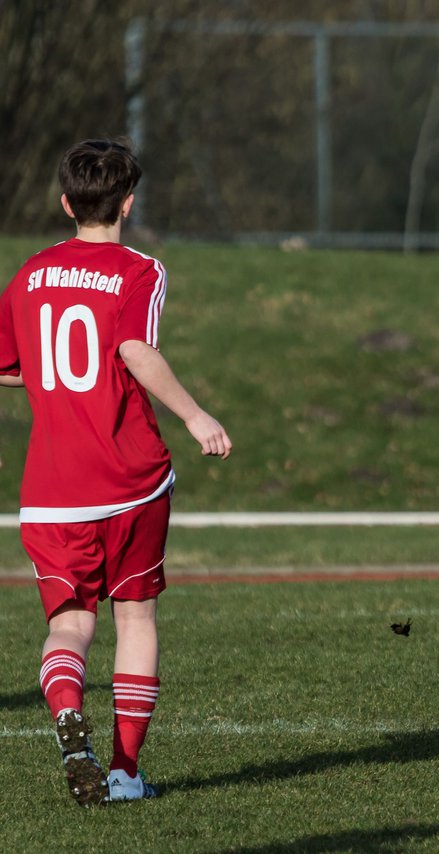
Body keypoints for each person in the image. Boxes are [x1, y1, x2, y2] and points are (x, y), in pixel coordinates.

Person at [0, 139, 232, 805]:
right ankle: (127, 772)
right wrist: (194, 416)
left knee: (69, 624)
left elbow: (7, 362)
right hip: (128, 478)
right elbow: (134, 347)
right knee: (135, 617)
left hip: (50, 491)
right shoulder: (139, 270)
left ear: (66, 202)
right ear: (127, 203)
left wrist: (50, 382)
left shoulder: (32, 273)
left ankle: (68, 710)